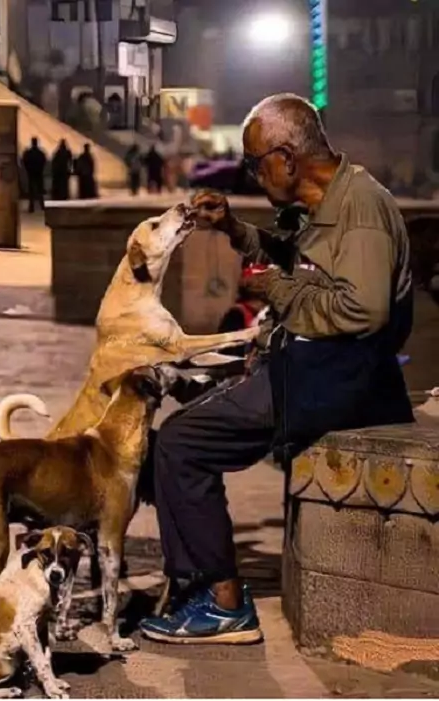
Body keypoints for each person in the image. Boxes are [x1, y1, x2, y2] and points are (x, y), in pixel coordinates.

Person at [138, 93, 414, 645]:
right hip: (312, 363)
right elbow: (300, 260)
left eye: (254, 162)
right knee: (182, 410)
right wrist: (235, 231)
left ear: (286, 158)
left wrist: (275, 290)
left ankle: (222, 602)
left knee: (182, 442)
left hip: (340, 379)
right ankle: (196, 578)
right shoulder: (329, 199)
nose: (251, 173)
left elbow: (362, 309)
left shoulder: (359, 207)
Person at [21, 137, 47, 213]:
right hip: (38, 172)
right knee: (40, 190)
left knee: (31, 191)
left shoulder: (28, 153)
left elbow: (25, 161)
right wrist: (40, 169)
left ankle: (31, 207)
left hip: (31, 173)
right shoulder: (40, 153)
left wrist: (28, 169)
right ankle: (42, 206)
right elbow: (43, 161)